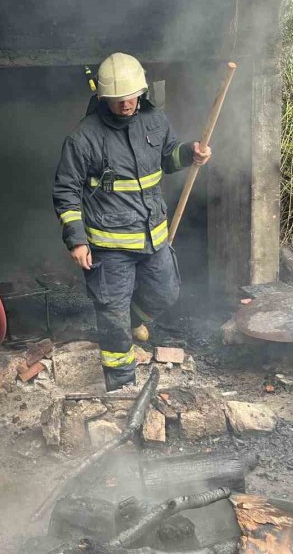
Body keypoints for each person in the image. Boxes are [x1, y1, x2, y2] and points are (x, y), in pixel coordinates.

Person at [52, 53, 212, 392]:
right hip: (109, 248)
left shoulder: (155, 121)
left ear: (141, 91)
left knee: (166, 293)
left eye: (132, 97)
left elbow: (169, 157)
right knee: (112, 313)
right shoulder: (84, 138)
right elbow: (66, 190)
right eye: (118, 99)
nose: (126, 104)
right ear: (104, 97)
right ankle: (122, 387)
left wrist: (191, 153)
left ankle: (132, 322)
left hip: (153, 237)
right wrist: (77, 240)